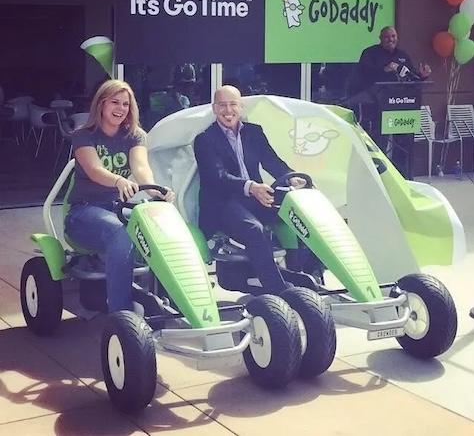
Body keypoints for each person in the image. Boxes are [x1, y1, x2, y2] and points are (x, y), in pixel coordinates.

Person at [64, 79, 175, 312]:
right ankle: (120, 312)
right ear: (101, 104)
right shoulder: (84, 135)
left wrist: (155, 189)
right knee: (120, 233)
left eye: (126, 104)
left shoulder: (135, 135)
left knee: (161, 228)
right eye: (115, 102)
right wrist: (118, 180)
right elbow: (94, 170)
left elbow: (141, 167)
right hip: (84, 211)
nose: (121, 108)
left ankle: (170, 301)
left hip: (118, 207)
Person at [194, 85, 305, 294]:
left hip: (255, 197)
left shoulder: (254, 131)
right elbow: (216, 177)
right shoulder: (204, 139)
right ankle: (279, 290)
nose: (228, 111)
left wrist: (294, 177)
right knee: (254, 229)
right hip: (222, 203)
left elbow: (272, 162)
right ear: (214, 108)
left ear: (241, 106)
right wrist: (251, 187)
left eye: (233, 104)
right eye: (222, 105)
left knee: (301, 213)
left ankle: (304, 274)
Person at [356, 26, 431, 156]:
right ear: (380, 38)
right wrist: (385, 69)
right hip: (377, 106)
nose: (391, 39)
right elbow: (364, 74)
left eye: (393, 36)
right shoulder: (370, 53)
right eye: (387, 37)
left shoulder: (403, 55)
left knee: (403, 144)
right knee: (379, 143)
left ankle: (401, 173)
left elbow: (411, 76)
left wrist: (422, 76)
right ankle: (378, 172)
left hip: (400, 106)